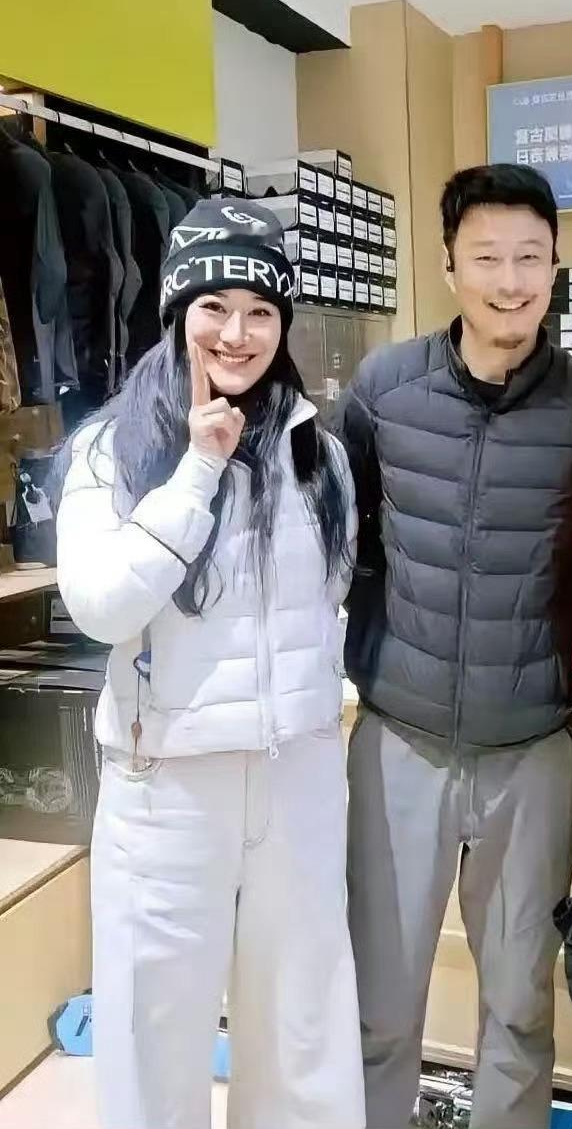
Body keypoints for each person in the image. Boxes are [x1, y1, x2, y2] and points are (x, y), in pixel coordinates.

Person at [54, 199, 364, 1129]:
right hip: (165, 788)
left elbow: (330, 597)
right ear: (177, 310)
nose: (237, 333)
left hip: (297, 779)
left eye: (261, 311)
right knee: (154, 1031)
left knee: (302, 1033)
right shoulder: (112, 448)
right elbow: (102, 606)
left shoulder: (318, 454)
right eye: (215, 307)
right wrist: (196, 471)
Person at [335, 163, 572, 1129]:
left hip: (532, 751)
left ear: (555, 267)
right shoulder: (383, 390)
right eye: (487, 257)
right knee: (379, 1006)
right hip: (398, 743)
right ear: (449, 264)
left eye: (530, 258)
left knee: (518, 1008)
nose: (510, 281)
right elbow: (342, 538)